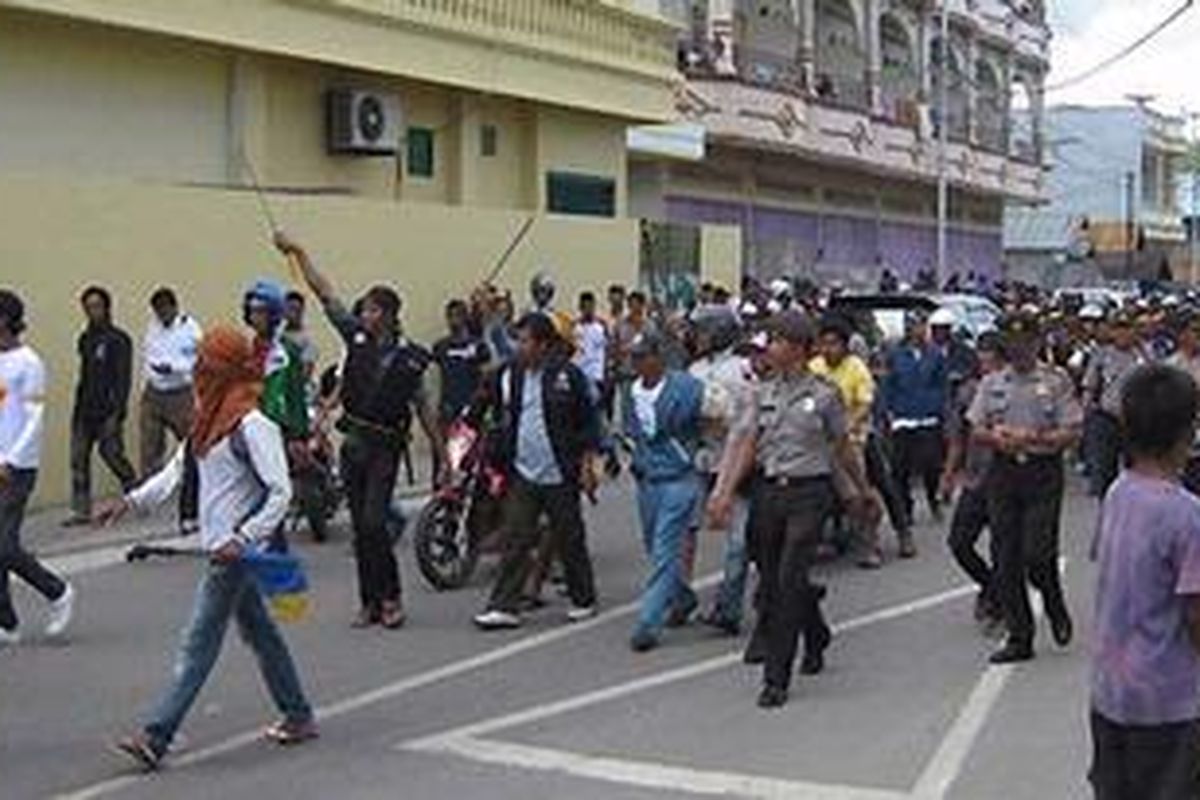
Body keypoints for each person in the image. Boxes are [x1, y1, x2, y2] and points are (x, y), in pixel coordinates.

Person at [101, 325, 317, 771]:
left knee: (197, 644)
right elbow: (175, 472)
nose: (199, 370)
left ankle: (156, 735)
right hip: (221, 549)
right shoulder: (207, 421)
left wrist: (243, 539)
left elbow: (280, 493)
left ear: (226, 370)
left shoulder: (253, 426)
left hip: (234, 555)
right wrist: (130, 502)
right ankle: (298, 714)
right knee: (261, 633)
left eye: (208, 364)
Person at [275, 233, 445, 630]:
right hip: (354, 444)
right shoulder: (356, 337)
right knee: (360, 529)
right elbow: (324, 292)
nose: (362, 314)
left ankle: (391, 599)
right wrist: (299, 252)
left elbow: (424, 411)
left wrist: (443, 458)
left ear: (385, 313)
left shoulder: (410, 358)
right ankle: (369, 602)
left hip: (386, 447)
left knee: (373, 523)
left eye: (369, 309)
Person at [708, 310, 873, 709]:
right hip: (769, 493)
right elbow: (744, 443)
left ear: (798, 349)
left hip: (810, 493)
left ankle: (775, 678)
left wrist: (861, 491)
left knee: (786, 580)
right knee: (774, 577)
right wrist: (724, 491)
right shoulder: (758, 392)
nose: (771, 348)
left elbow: (842, 447)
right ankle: (815, 632)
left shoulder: (825, 394)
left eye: (778, 341)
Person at [1089, 364, 1200, 800]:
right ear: (1188, 431)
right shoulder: (1186, 515)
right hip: (1169, 703)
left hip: (1112, 691)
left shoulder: (1120, 492)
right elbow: (1195, 615)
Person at [472, 313, 601, 630]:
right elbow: (486, 405)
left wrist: (586, 465)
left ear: (544, 345)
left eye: (526, 341)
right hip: (523, 471)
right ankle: (504, 605)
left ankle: (583, 597)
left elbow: (588, 424)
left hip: (560, 471)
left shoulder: (567, 377)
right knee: (516, 536)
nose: (520, 347)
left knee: (569, 537)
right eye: (517, 340)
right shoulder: (508, 375)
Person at [967, 312, 1081, 664]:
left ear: (1036, 343)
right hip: (1003, 474)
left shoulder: (1056, 381)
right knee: (1005, 557)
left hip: (1042, 472)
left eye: (1025, 343)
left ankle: (1053, 599)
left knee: (1038, 553)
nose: (1018, 350)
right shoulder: (992, 383)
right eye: (1012, 344)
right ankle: (1020, 636)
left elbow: (1072, 430)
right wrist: (995, 437)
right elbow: (975, 426)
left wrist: (1034, 438)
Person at [0, 289, 75, 647]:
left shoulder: (30, 363)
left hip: (17, 466)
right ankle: (6, 623)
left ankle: (58, 591)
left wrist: (12, 460)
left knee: (4, 546)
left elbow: (34, 417)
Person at [623, 330, 705, 652]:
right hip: (648, 480)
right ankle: (682, 597)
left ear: (658, 357)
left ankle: (648, 622)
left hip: (679, 478)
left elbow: (712, 415)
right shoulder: (630, 393)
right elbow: (632, 432)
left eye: (642, 356)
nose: (637, 363)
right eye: (634, 357)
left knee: (664, 548)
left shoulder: (686, 387)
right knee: (654, 548)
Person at [689, 305, 754, 635]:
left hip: (738, 461)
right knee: (681, 530)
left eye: (702, 330)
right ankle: (676, 597)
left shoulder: (743, 369)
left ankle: (729, 606)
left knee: (739, 542)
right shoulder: (694, 370)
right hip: (701, 460)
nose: (696, 337)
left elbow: (747, 419)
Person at [811, 315, 892, 565]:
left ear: (845, 345)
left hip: (851, 439)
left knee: (855, 494)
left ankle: (872, 544)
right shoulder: (814, 367)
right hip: (817, 441)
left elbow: (864, 405)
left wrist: (844, 427)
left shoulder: (856, 367)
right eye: (823, 343)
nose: (827, 349)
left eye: (833, 344)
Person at [942, 331, 1004, 632]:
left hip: (1007, 480)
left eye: (990, 355)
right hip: (976, 477)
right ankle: (990, 584)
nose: (985, 361)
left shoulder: (1013, 388)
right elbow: (958, 437)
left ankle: (1000, 604)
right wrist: (949, 474)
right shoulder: (968, 392)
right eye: (981, 355)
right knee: (959, 543)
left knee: (1003, 548)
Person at [65, 286, 137, 526]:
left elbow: (123, 378)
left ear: (107, 308)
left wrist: (118, 412)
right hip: (84, 409)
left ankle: (135, 492)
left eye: (96, 306)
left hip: (108, 411)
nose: (91, 311)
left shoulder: (119, 340)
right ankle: (81, 510)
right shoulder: (85, 339)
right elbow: (84, 375)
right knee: (78, 459)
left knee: (112, 455)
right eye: (87, 307)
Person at [140, 287, 202, 534]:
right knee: (149, 446)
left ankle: (194, 492)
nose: (161, 316)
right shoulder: (152, 328)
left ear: (174, 307)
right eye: (157, 311)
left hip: (181, 393)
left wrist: (174, 368)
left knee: (191, 448)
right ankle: (149, 498)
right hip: (154, 392)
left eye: (165, 310)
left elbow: (198, 361)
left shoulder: (190, 329)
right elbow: (147, 355)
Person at [882, 310, 948, 526]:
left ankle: (933, 500)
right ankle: (905, 508)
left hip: (928, 417)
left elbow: (942, 384)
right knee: (900, 468)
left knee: (931, 464)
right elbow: (888, 384)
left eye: (922, 325)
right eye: (914, 325)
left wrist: (937, 407)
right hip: (903, 417)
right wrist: (890, 410)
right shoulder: (896, 354)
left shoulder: (935, 354)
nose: (918, 330)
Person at [1083, 311, 1146, 497]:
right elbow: (1090, 386)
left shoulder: (1142, 356)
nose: (1123, 334)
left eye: (1127, 328)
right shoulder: (1101, 355)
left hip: (1135, 420)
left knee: (1137, 473)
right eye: (1118, 328)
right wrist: (1086, 416)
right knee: (1103, 473)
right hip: (1105, 418)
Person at [432, 299, 491, 429]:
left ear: (465, 317)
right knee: (445, 447)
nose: (453, 321)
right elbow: (435, 378)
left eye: (457, 315)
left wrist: (477, 404)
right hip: (448, 408)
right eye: (450, 316)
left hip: (471, 408)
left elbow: (485, 376)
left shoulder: (478, 345)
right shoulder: (441, 346)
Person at [573, 291, 608, 399]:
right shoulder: (574, 327)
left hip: (595, 376)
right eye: (585, 307)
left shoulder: (601, 326)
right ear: (580, 307)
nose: (588, 310)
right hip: (579, 374)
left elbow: (607, 349)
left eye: (590, 307)